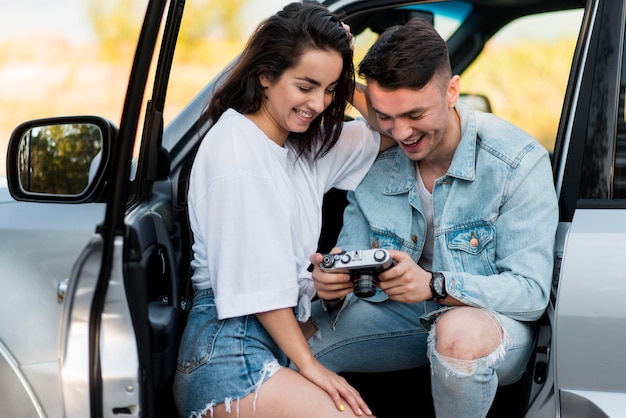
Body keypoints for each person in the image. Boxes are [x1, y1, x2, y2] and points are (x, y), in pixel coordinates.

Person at [307, 17, 559, 417]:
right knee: (293, 346)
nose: (400, 132)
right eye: (385, 116)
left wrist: (434, 285)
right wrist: (331, 286)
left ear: (452, 91)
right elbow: (352, 259)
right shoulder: (374, 155)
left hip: (490, 323)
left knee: (457, 334)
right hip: (397, 313)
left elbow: (529, 293)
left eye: (414, 114)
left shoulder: (516, 162)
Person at [173, 2, 395, 418]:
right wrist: (312, 367)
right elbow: (258, 285)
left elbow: (393, 128)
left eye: (329, 91)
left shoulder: (301, 148)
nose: (317, 103)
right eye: (306, 85)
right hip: (230, 353)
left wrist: (342, 76)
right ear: (265, 75)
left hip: (275, 338)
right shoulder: (237, 151)